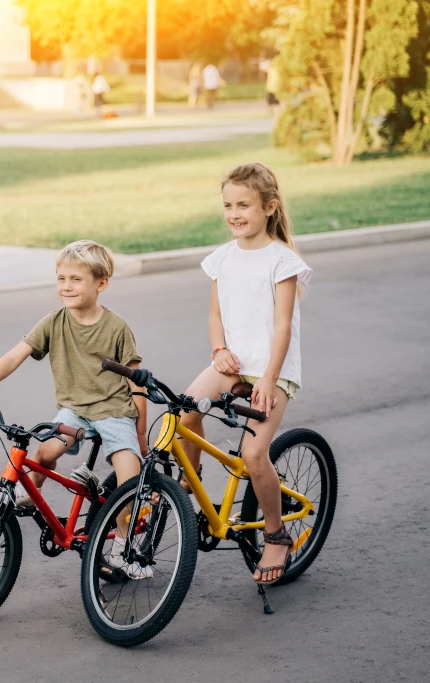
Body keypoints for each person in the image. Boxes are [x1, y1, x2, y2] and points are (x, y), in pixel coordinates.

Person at [0, 240, 152, 579]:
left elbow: (137, 383)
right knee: (44, 449)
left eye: (76, 279)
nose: (66, 286)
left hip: (114, 411)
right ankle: (31, 494)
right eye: (61, 278)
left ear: (101, 283)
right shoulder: (53, 322)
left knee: (130, 484)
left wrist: (139, 435)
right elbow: (14, 356)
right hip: (74, 411)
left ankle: (124, 550)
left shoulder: (117, 327)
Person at [178, 162, 312, 585]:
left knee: (254, 455)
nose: (234, 214)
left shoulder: (282, 261)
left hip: (272, 369)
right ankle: (189, 488)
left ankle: (276, 534)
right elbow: (215, 315)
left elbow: (283, 326)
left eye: (244, 205)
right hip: (232, 362)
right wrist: (218, 351)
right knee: (184, 412)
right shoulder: (222, 257)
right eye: (228, 205)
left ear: (269, 208)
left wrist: (269, 380)